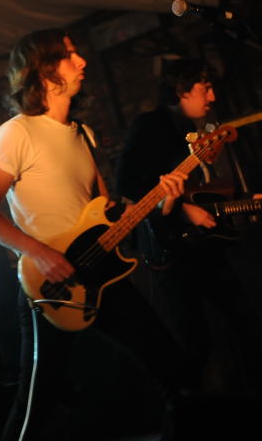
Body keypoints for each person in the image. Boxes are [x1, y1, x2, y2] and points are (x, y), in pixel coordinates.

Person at [0, 29, 195, 440]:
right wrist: (40, 253)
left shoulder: (83, 135)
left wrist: (161, 201)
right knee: (36, 405)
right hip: (51, 285)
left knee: (175, 372)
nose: (82, 61)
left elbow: (109, 213)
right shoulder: (17, 133)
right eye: (70, 55)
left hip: (101, 276)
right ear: (43, 70)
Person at [115, 58, 262, 393]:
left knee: (243, 321)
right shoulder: (150, 125)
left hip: (203, 244)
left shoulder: (194, 131)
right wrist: (183, 210)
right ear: (182, 90)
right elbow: (127, 185)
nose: (212, 96)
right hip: (170, 249)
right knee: (195, 340)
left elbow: (203, 191)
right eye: (205, 88)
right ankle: (189, 407)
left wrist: (244, 199)